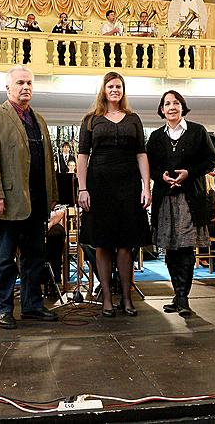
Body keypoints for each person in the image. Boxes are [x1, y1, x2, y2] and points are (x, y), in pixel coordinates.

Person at [0, 65, 59, 329]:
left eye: (30, 83)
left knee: (35, 257)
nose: (26, 87)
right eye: (20, 83)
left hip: (37, 201)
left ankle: (32, 306)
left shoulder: (39, 119)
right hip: (8, 202)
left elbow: (47, 161)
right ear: (8, 88)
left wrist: (52, 196)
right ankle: (2, 308)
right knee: (4, 258)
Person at [77, 71, 151, 317]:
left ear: (123, 90)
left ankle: (127, 298)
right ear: (104, 90)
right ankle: (107, 298)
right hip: (99, 185)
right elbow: (82, 156)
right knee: (102, 243)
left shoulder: (133, 119)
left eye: (118, 86)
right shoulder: (91, 120)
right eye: (111, 86)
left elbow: (141, 153)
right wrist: (82, 188)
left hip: (128, 185)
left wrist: (146, 187)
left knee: (126, 244)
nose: (115, 90)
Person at [147, 90, 215, 316]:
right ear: (161, 110)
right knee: (170, 248)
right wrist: (162, 177)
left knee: (185, 247)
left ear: (182, 106)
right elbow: (150, 166)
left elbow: (210, 160)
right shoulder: (156, 137)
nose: (172, 107)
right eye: (167, 104)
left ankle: (184, 297)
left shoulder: (197, 131)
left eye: (176, 102)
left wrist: (189, 173)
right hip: (165, 198)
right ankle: (177, 295)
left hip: (189, 198)